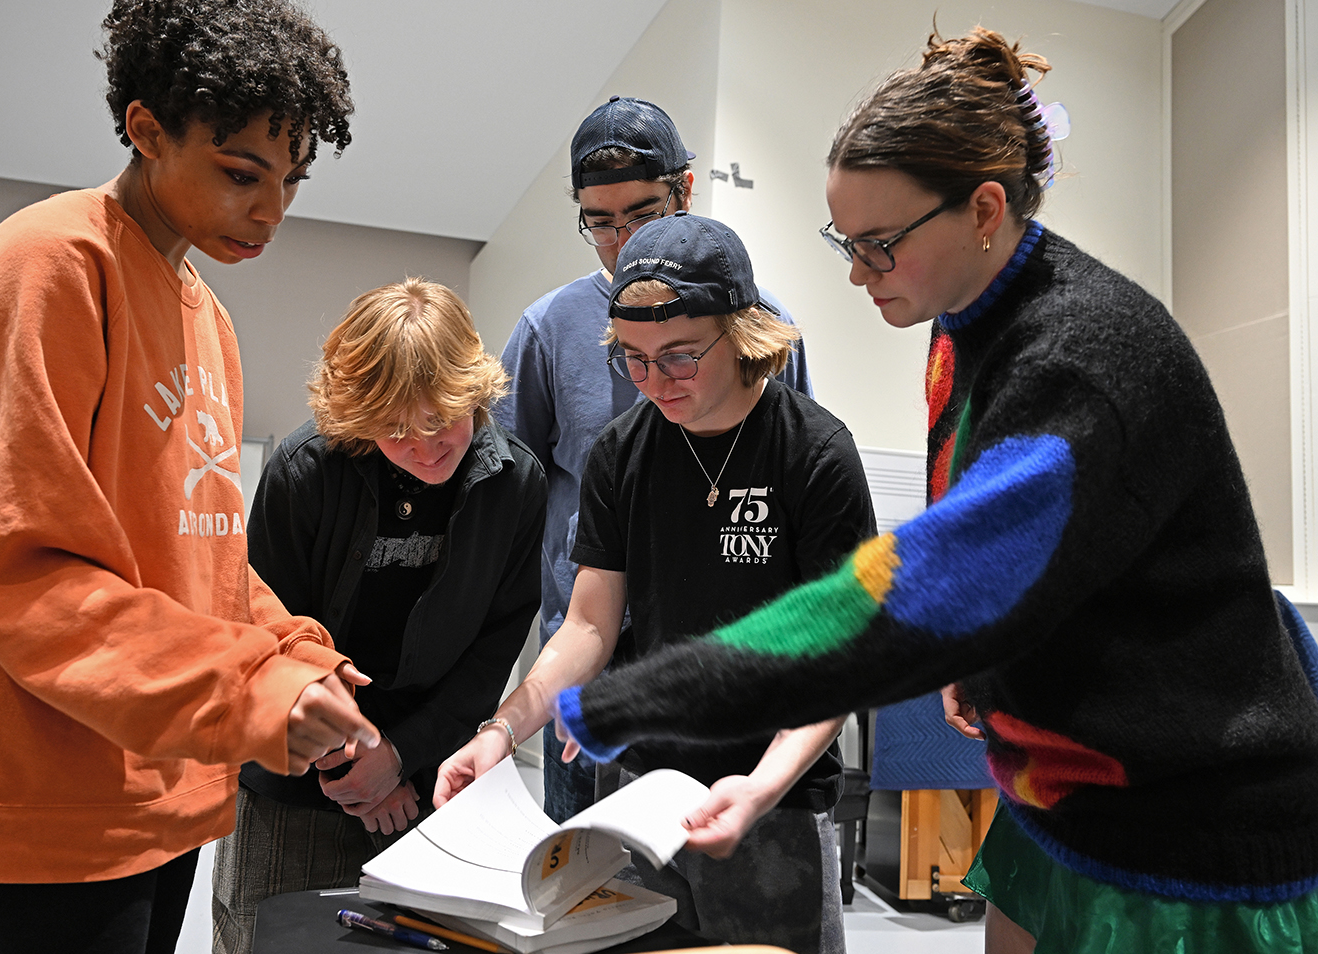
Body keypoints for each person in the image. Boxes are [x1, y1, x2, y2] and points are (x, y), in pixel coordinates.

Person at [553, 27, 1318, 954]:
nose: (854, 271)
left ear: (984, 208)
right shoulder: (960, 323)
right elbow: (1020, 549)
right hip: (1063, 789)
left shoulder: (1087, 360)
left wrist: (627, 701)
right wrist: (983, 668)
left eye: (878, 244)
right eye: (847, 239)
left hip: (1191, 820)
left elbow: (922, 587)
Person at [0, 2, 379, 951]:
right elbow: (28, 575)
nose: (272, 209)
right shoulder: (48, 266)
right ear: (146, 128)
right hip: (17, 814)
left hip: (159, 793)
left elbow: (200, 562)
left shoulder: (208, 318)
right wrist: (247, 687)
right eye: (242, 173)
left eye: (291, 179)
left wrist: (289, 653)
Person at [439, 212, 874, 953]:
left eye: (678, 356)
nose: (654, 382)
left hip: (776, 803)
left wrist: (760, 788)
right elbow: (587, 626)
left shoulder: (815, 453)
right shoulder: (621, 454)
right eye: (633, 360)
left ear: (741, 332)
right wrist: (503, 730)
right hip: (641, 796)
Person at [496, 95, 814, 822]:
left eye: (640, 214)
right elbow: (510, 500)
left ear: (685, 191)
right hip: (592, 664)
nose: (618, 240)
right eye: (598, 221)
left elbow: (800, 480)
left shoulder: (758, 319)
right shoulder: (548, 329)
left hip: (731, 667)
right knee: (584, 899)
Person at [211, 280, 546, 953]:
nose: (424, 448)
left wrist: (400, 757)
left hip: (430, 785)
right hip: (295, 787)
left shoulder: (516, 485)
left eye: (441, 421)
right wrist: (354, 758)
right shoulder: (305, 472)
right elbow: (265, 635)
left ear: (473, 394)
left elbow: (490, 654)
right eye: (396, 430)